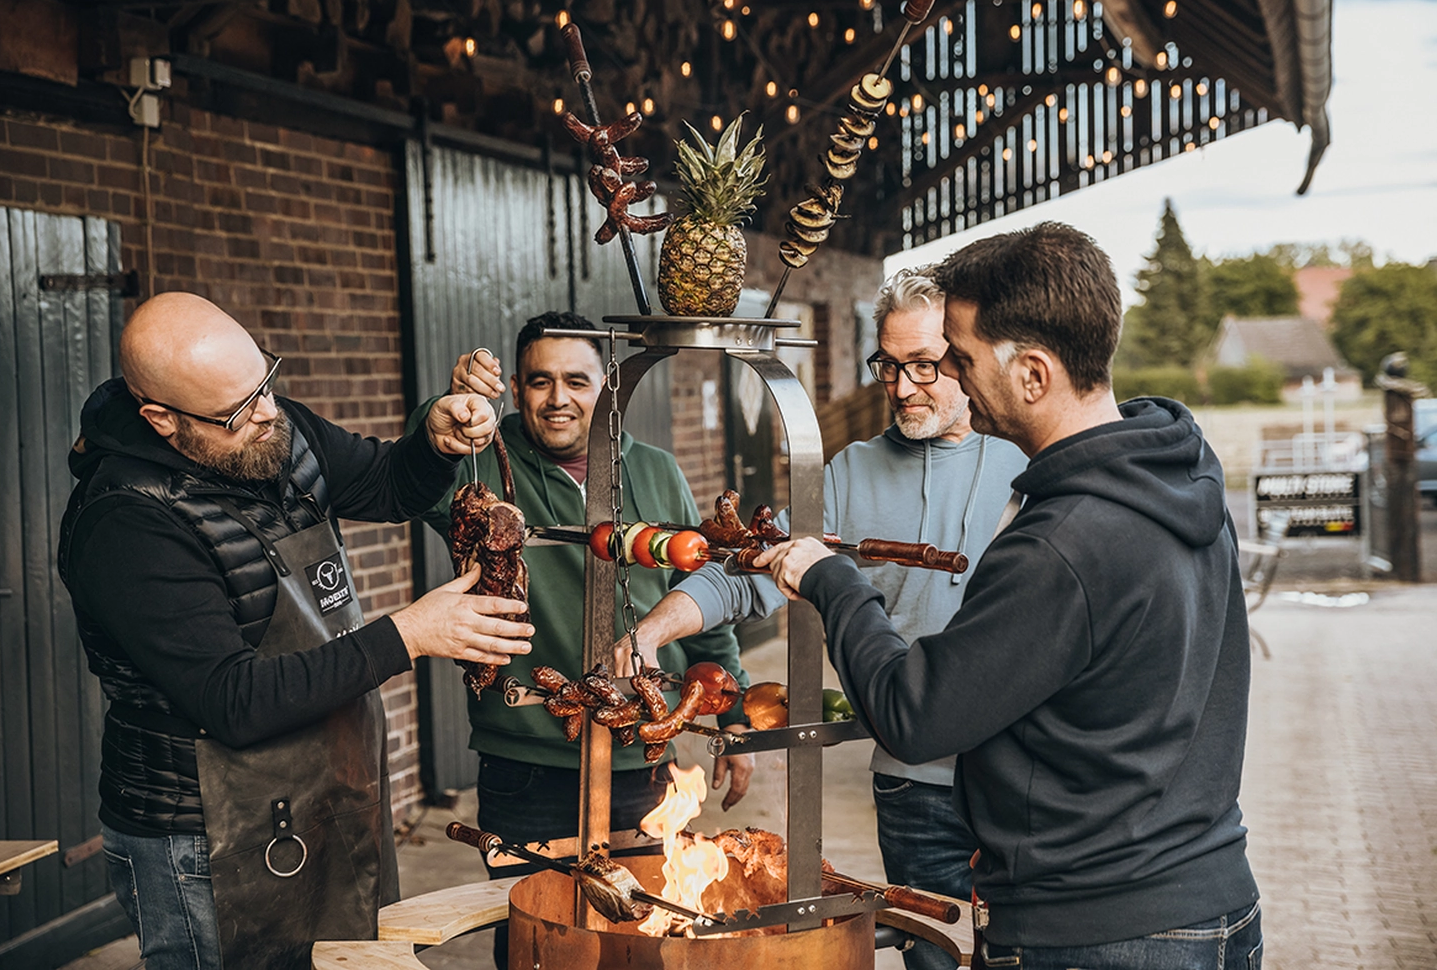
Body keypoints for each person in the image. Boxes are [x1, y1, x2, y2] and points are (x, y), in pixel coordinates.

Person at [758, 223, 1262, 969]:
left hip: (1101, 935)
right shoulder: (1177, 475)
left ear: (1031, 373)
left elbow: (914, 713)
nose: (948, 376)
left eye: (959, 358)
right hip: (1212, 905)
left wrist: (831, 579)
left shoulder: (1062, 543)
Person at [59, 293, 534, 970]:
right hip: (205, 836)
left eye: (265, 383)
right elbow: (232, 698)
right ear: (161, 419)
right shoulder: (126, 521)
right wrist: (408, 634)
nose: (267, 413)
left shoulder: (271, 423)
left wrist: (435, 437)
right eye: (236, 411)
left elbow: (390, 484)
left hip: (320, 792)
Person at [617, 270, 1025, 969]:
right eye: (888, 365)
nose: (900, 387)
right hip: (913, 780)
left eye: (924, 365)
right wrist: (650, 632)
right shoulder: (848, 472)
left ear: (966, 354)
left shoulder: (1027, 462)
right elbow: (748, 577)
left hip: (1020, 780)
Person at [407, 311, 752, 961]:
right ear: (514, 387)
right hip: (528, 768)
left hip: (641, 762)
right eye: (539, 381)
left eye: (576, 380)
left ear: (608, 389)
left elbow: (702, 598)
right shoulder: (478, 468)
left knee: (640, 941)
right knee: (539, 945)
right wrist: (447, 412)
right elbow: (412, 473)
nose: (558, 398)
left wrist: (731, 712)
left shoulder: (654, 470)